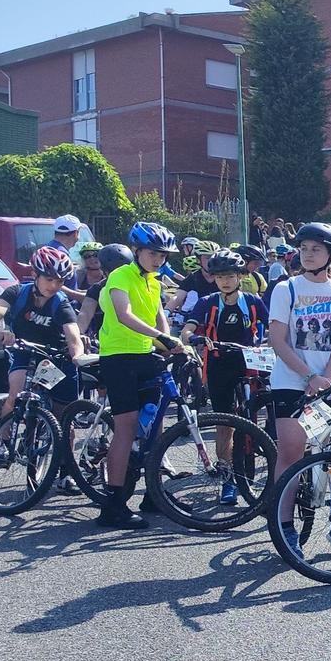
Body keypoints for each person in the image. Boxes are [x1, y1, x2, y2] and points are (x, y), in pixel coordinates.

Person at [265, 222, 331, 557]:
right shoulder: (286, 289)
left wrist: (327, 376)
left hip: (330, 381)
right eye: (304, 248)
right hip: (291, 381)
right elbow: (277, 340)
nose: (308, 255)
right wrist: (309, 375)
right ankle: (284, 527)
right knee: (291, 453)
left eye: (316, 249)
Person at [94, 223, 189, 529]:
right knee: (126, 426)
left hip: (146, 355)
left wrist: (172, 342)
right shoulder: (120, 276)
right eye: (153, 253)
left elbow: (160, 318)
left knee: (156, 422)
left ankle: (153, 494)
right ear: (137, 251)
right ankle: (113, 505)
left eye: (162, 254)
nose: (158, 259)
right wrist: (164, 339)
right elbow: (124, 315)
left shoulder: (155, 282)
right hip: (119, 357)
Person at [181, 252, 270, 504]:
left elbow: (274, 325)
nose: (226, 281)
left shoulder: (252, 301)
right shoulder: (208, 302)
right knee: (225, 424)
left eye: (231, 276)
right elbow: (188, 329)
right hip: (219, 365)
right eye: (220, 277)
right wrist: (192, 337)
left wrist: (274, 343)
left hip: (249, 364)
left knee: (259, 415)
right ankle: (227, 477)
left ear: (241, 276)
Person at [0, 245, 85, 423]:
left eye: (60, 281)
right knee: (15, 393)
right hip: (25, 352)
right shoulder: (17, 292)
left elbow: (73, 336)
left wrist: (78, 356)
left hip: (56, 359)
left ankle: (62, 448)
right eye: (49, 279)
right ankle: (2, 443)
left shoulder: (61, 304)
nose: (54, 286)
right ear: (34, 275)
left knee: (64, 418)